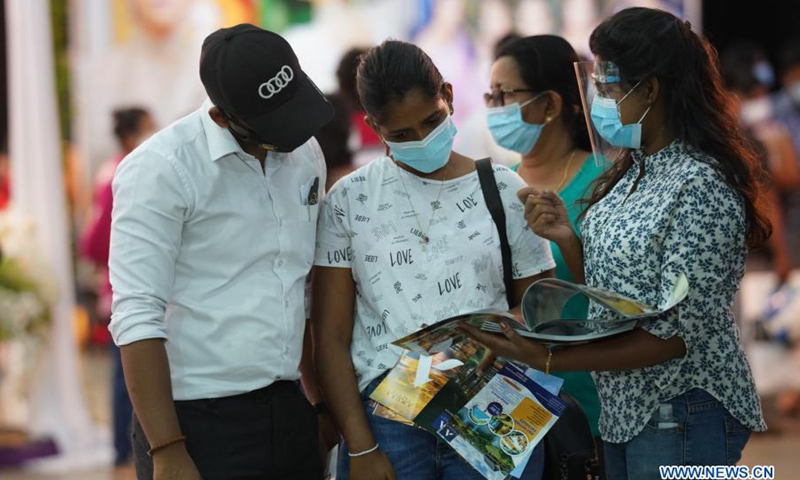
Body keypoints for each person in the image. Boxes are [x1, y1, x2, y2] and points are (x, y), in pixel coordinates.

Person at [461, 8, 769, 480]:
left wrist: (544, 355)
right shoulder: (634, 169)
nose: (597, 98)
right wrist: (569, 239)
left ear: (649, 91)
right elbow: (619, 302)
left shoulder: (699, 184)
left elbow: (675, 336)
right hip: (625, 410)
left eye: (607, 85)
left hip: (683, 411)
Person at [312, 40, 556, 480]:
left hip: (495, 406)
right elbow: (329, 339)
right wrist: (361, 445)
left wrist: (492, 336)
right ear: (373, 125)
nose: (421, 140)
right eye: (401, 135)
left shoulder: (501, 188)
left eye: (431, 121)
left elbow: (543, 305)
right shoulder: (348, 200)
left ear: (448, 94)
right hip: (391, 420)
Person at [109, 24, 333, 480]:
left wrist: (321, 405)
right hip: (195, 422)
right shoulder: (160, 170)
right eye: (274, 126)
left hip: (290, 409)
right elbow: (136, 314)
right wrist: (167, 449)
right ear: (224, 116)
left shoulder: (305, 154)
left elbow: (301, 288)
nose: (290, 137)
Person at [486, 34, 605, 458]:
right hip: (511, 404)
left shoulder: (605, 180)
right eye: (491, 95)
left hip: (589, 398)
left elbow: (621, 298)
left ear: (551, 105)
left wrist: (567, 241)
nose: (494, 108)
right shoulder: (497, 184)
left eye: (506, 95)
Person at [79, 106, 155, 467]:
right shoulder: (127, 171)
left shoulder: (110, 168)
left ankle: (124, 447)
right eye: (149, 127)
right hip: (123, 288)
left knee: (123, 375)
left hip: (114, 286)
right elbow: (97, 241)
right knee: (128, 375)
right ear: (130, 136)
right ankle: (126, 448)